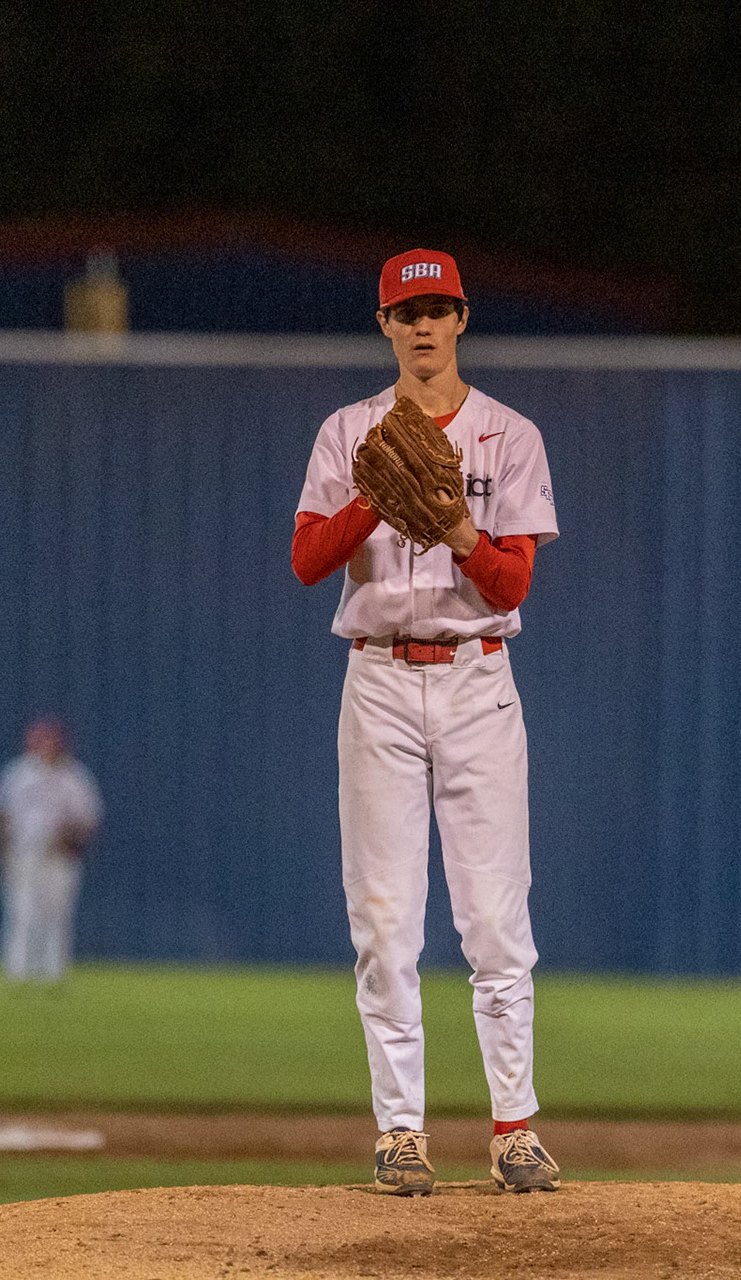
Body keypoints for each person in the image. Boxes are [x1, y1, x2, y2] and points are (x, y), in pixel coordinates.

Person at [292, 249, 562, 1195]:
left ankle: (514, 1129)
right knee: (383, 921)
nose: (423, 325)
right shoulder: (347, 433)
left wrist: (455, 529)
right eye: (407, 311)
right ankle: (400, 1132)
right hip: (376, 682)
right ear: (385, 326)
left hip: (478, 682)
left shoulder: (509, 436)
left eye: (438, 309)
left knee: (495, 920)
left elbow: (514, 579)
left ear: (461, 320)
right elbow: (307, 562)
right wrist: (377, 491)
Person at [0, 718, 103, 985]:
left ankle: (53, 972)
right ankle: (17, 971)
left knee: (57, 913)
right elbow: (2, 813)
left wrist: (73, 841)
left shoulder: (74, 776)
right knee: (22, 911)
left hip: (60, 855)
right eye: (42, 741)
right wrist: (1, 851)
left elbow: (88, 818)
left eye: (52, 741)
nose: (47, 747)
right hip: (24, 851)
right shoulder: (18, 773)